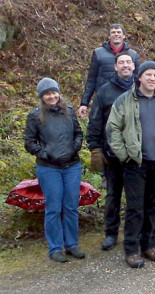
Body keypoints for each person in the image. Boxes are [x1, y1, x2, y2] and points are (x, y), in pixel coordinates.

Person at [106, 61, 155, 268]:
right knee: (135, 208)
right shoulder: (125, 100)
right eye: (148, 75)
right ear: (139, 78)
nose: (152, 79)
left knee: (153, 205)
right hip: (135, 163)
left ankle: (149, 245)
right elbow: (113, 128)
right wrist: (124, 155)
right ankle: (131, 250)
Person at [25, 78, 85, 262]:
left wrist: (74, 147)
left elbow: (78, 133)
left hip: (72, 166)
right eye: (47, 94)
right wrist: (45, 153)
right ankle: (55, 248)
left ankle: (72, 245)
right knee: (53, 208)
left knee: (71, 207)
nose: (51, 96)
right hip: (49, 168)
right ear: (42, 96)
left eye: (54, 92)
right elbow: (29, 142)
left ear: (58, 93)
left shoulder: (70, 112)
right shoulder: (35, 116)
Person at [86, 52, 135, 250]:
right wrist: (95, 148)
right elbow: (95, 121)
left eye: (128, 62)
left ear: (133, 66)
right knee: (113, 196)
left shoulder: (141, 88)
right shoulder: (104, 92)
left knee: (135, 197)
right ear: (115, 67)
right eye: (121, 62)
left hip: (136, 155)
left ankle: (134, 233)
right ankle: (111, 234)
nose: (125, 65)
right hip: (112, 154)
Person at [79, 24, 139, 117]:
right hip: (104, 100)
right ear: (109, 36)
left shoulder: (133, 55)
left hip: (127, 99)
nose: (116, 34)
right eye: (113, 32)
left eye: (119, 32)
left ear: (124, 36)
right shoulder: (98, 53)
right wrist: (84, 103)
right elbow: (91, 79)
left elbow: (138, 79)